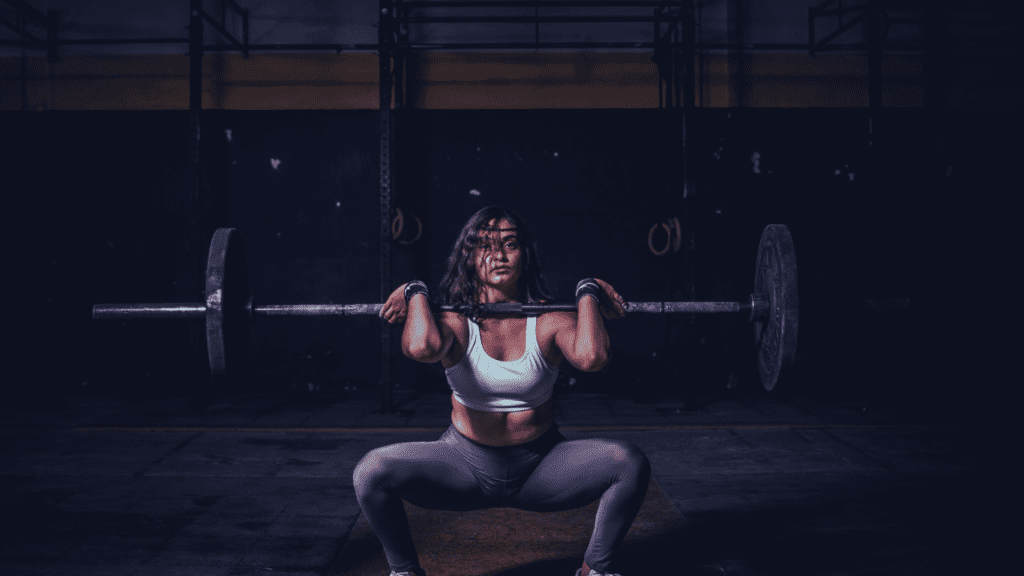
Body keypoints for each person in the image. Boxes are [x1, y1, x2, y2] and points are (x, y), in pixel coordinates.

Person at [353, 206, 652, 576]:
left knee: (628, 462)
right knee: (371, 471)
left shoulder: (549, 320)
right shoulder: (455, 321)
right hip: (463, 467)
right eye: (484, 246)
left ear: (525, 254)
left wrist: (586, 291)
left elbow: (592, 358)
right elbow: (422, 348)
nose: (498, 255)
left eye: (509, 244)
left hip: (540, 467)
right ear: (468, 256)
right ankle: (405, 572)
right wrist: (417, 291)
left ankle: (596, 569)